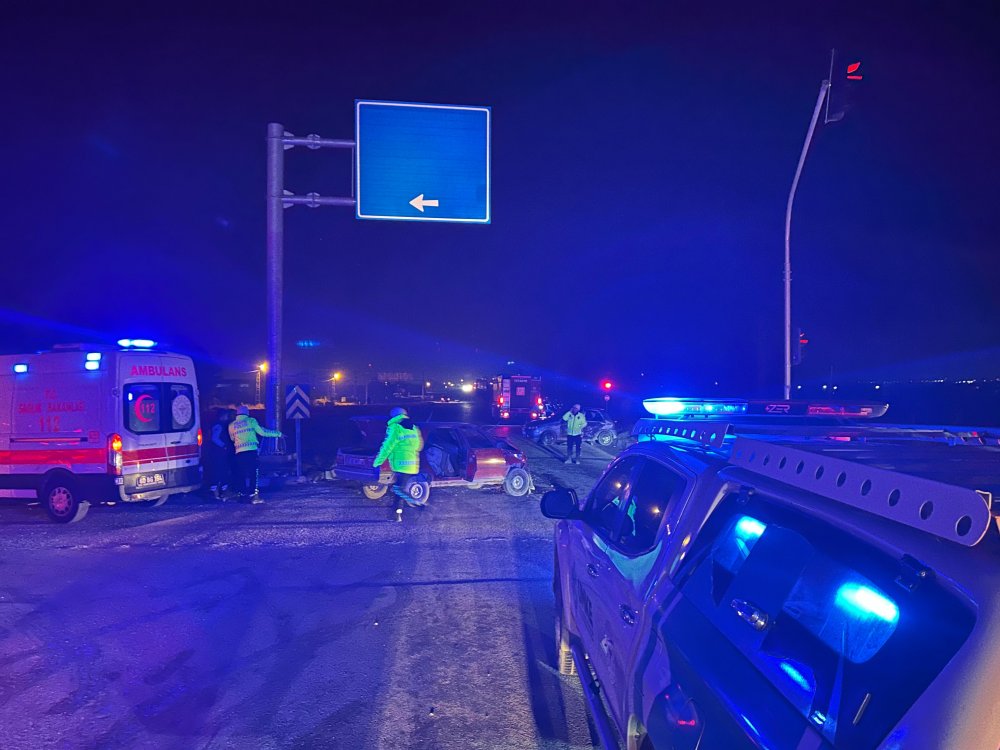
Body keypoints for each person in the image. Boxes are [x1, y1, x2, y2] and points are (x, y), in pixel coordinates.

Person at [228, 405, 282, 504]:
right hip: (251, 452)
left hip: (239, 453)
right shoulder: (251, 421)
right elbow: (262, 432)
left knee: (241, 474)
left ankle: (242, 495)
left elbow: (232, 439)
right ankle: (254, 496)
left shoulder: (232, 425)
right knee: (253, 473)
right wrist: (278, 434)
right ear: (247, 413)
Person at [373, 407, 424, 507]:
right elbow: (419, 446)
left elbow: (387, 447)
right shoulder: (414, 428)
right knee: (399, 488)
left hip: (399, 464)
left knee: (397, 489)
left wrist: (377, 462)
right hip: (412, 464)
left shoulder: (395, 428)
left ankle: (417, 502)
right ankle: (397, 511)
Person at [207, 408, 235, 499]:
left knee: (223, 471)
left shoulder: (222, 425)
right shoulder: (218, 425)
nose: (228, 417)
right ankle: (215, 492)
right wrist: (224, 445)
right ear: (222, 416)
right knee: (218, 471)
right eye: (227, 415)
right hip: (218, 453)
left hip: (221, 453)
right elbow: (214, 438)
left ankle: (222, 491)